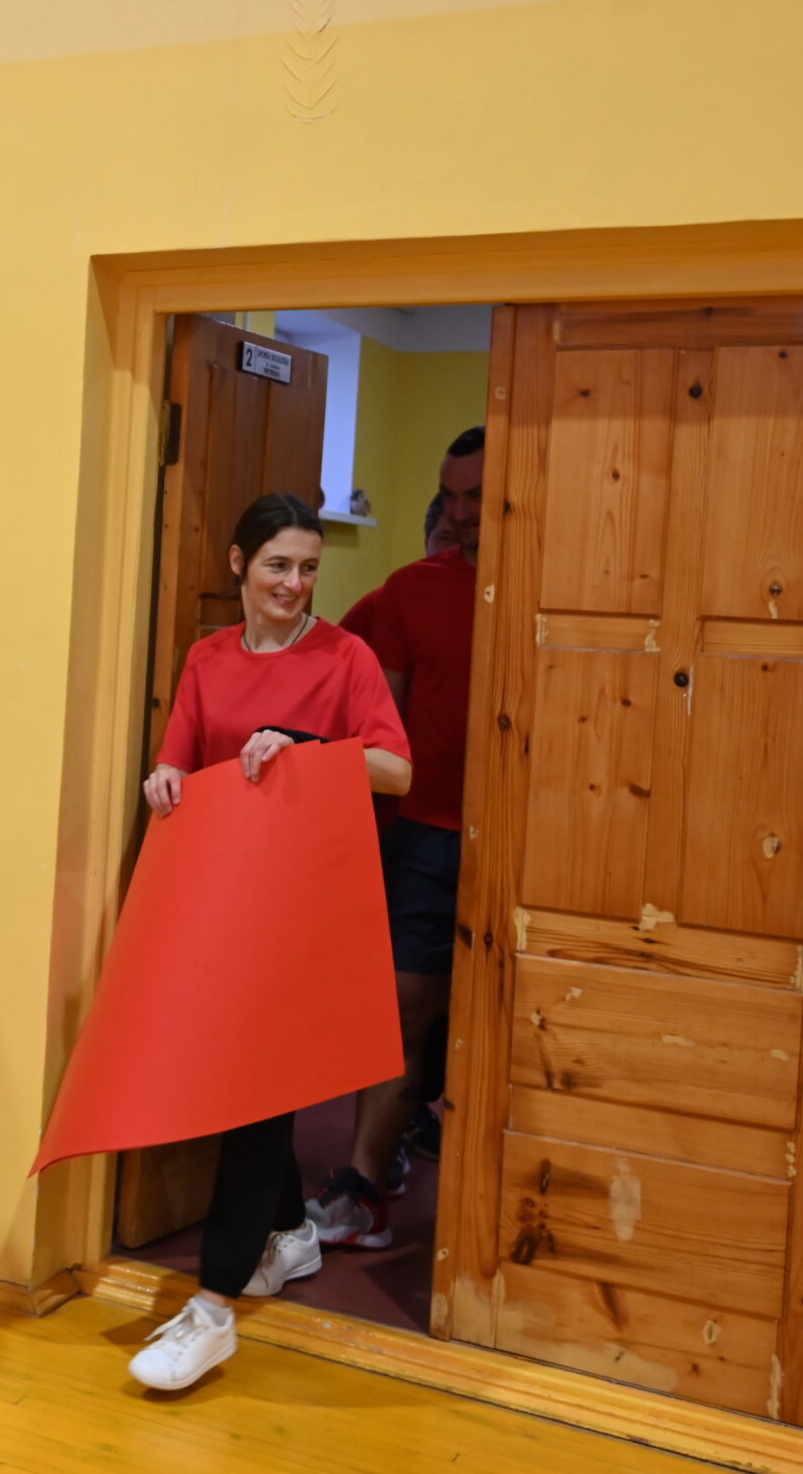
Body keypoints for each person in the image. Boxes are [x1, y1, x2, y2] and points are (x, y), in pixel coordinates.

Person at [128, 492, 411, 1393]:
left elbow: (396, 768)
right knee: (244, 1084)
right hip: (221, 903)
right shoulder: (207, 659)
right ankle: (288, 1232)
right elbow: (177, 759)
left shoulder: (345, 657)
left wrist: (305, 745)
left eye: (309, 568)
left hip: (305, 908)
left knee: (255, 1093)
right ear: (239, 565)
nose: (294, 583)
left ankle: (212, 1307)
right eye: (278, 565)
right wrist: (163, 778)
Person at [312, 428, 484, 1248]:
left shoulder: (565, 592)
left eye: (476, 496)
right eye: (450, 496)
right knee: (400, 1016)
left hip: (529, 851)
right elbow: (378, 735)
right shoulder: (411, 590)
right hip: (423, 841)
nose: (461, 512)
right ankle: (364, 1187)